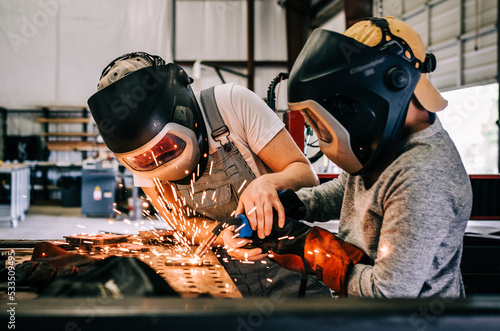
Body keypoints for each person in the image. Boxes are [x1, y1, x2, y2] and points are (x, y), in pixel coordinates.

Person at [240, 16, 472, 298]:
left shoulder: (423, 175)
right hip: (363, 321)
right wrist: (296, 205)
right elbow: (347, 190)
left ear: (386, 84)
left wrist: (311, 250)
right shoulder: (381, 141)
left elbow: (390, 294)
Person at [87, 52, 331, 297]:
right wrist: (224, 235)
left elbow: (306, 176)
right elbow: (182, 224)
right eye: (144, 160)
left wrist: (269, 182)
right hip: (222, 279)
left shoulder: (231, 104)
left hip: (289, 269)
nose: (157, 160)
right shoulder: (140, 156)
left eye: (166, 148)